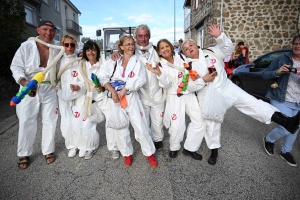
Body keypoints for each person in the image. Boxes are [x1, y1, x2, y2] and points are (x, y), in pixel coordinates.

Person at [181, 24, 300, 165]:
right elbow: (189, 86)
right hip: (208, 95)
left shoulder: (211, 51)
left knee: (250, 102)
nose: (189, 49)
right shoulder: (187, 66)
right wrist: (203, 80)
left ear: (195, 45)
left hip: (226, 86)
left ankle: (284, 120)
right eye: (186, 49)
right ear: (185, 54)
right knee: (213, 124)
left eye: (190, 45)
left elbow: (228, 49)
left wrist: (220, 36)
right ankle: (214, 149)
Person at [100, 35, 158, 168]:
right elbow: (102, 77)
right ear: (121, 47)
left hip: (131, 97)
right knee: (121, 127)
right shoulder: (113, 61)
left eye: (132, 44)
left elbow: (140, 78)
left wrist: (124, 89)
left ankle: (149, 153)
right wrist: (113, 91)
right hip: (116, 99)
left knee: (140, 126)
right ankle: (127, 154)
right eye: (127, 44)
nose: (131, 46)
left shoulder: (137, 61)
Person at [10, 20, 59, 169]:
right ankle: (24, 153)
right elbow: (16, 66)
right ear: (38, 30)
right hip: (29, 87)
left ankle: (48, 150)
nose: (48, 33)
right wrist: (25, 83)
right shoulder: (26, 46)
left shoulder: (57, 47)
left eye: (51, 30)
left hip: (48, 88)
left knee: (50, 120)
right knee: (26, 120)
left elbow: (73, 50)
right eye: (45, 29)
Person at [145, 39, 205, 160]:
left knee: (199, 121)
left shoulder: (182, 57)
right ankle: (174, 147)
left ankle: (190, 148)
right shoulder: (160, 65)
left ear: (171, 47)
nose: (165, 49)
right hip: (174, 96)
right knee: (177, 126)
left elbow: (191, 69)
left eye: (167, 46)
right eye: (162, 48)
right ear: (159, 52)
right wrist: (158, 73)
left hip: (188, 92)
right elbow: (166, 84)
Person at [111, 24, 165, 151]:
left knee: (158, 119)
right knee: (143, 119)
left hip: (157, 91)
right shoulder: (132, 51)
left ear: (149, 36)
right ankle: (147, 140)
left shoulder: (157, 51)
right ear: (136, 38)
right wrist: (116, 54)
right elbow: (121, 56)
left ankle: (158, 139)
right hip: (141, 92)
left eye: (146, 36)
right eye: (140, 36)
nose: (143, 39)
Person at [74, 40, 120, 160]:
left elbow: (109, 77)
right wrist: (77, 87)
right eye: (88, 50)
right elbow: (82, 83)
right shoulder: (82, 66)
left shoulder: (103, 63)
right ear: (85, 52)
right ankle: (91, 147)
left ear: (97, 51)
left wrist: (102, 87)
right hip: (90, 99)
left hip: (103, 97)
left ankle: (113, 147)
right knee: (87, 125)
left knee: (111, 121)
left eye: (93, 49)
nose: (91, 52)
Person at [262, 35, 300, 167]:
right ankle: (269, 139)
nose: (297, 46)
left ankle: (286, 151)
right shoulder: (281, 59)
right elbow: (265, 74)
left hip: (298, 103)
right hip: (280, 99)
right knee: (286, 126)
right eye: (295, 43)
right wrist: (277, 72)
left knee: (295, 128)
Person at [56, 34, 87, 158]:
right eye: (66, 44)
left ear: (75, 46)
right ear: (62, 46)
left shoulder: (80, 60)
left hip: (78, 95)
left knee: (79, 121)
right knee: (66, 123)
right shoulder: (58, 60)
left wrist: (78, 87)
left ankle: (82, 145)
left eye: (72, 44)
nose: (69, 47)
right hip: (63, 96)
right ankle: (71, 145)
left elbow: (84, 79)